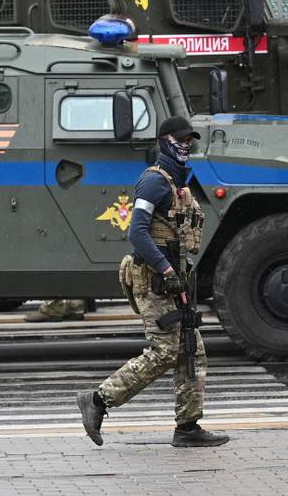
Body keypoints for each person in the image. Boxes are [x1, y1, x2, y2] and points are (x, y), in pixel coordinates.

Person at [77, 116, 229, 448]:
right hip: (154, 280)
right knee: (164, 352)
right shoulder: (153, 182)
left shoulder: (178, 185)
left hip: (174, 282)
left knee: (192, 351)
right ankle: (98, 400)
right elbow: (138, 233)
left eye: (190, 139)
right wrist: (167, 271)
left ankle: (187, 428)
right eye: (179, 139)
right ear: (164, 141)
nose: (186, 145)